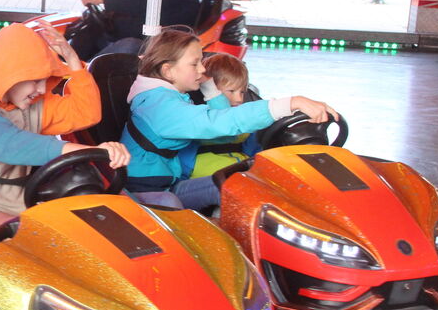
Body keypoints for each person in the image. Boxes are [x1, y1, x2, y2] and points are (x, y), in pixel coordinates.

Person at [0, 21, 131, 245]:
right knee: (23, 235)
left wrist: (72, 62)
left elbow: (85, 113)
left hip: (24, 204)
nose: (42, 89)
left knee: (109, 216)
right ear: (9, 73)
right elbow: (10, 143)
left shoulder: (28, 104)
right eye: (35, 80)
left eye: (45, 80)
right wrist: (91, 151)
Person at [122, 27, 336, 210]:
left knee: (238, 184)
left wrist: (208, 85)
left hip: (168, 183)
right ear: (168, 71)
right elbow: (220, 122)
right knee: (169, 204)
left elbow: (223, 126)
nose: (203, 69)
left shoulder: (167, 96)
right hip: (144, 190)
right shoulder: (160, 107)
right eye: (195, 64)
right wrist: (288, 104)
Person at [185, 53, 261, 179]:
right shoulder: (198, 115)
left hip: (239, 169)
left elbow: (254, 152)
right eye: (231, 91)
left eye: (242, 92)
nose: (239, 99)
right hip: (204, 175)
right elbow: (224, 124)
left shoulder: (245, 121)